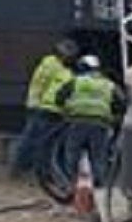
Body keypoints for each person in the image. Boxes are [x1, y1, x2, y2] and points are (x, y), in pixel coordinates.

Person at [56, 54, 123, 190]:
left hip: (77, 122)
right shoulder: (108, 84)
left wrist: (66, 110)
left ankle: (71, 184)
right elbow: (121, 101)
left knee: (72, 154)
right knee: (98, 157)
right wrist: (113, 115)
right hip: (100, 124)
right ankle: (100, 187)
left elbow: (59, 98)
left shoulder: (76, 81)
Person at [13, 37, 77, 177]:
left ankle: (20, 167)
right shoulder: (57, 68)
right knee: (42, 142)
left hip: (37, 105)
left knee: (30, 139)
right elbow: (49, 87)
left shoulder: (49, 63)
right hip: (44, 108)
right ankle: (37, 171)